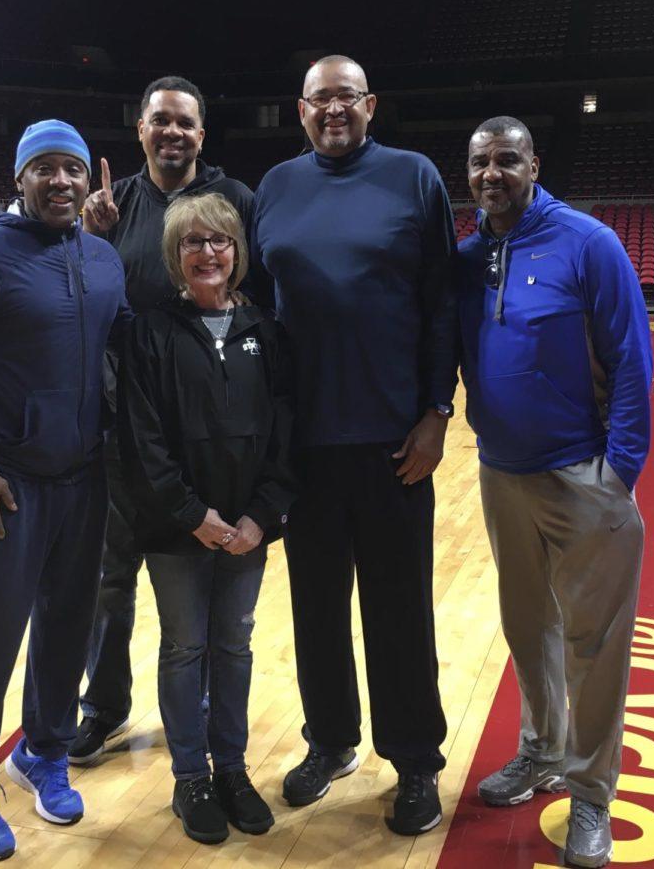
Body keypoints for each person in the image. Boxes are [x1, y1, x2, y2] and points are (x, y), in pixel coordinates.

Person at [250, 54, 459, 836]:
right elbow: (258, 313)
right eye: (318, 100)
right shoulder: (273, 189)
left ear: (370, 104)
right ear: (299, 111)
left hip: (393, 442)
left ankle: (414, 762)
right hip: (304, 445)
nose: (332, 110)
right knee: (316, 611)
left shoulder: (414, 178)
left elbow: (443, 303)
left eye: (346, 98)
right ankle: (331, 741)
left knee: (400, 611)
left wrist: (438, 410)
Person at [0, 120, 131, 861]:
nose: (62, 182)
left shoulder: (103, 258)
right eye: (45, 168)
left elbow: (128, 350)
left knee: (69, 628)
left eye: (72, 170)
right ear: (20, 178)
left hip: (85, 481)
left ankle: (44, 751)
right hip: (4, 489)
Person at [455, 116, 652, 869]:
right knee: (526, 627)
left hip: (583, 477)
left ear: (534, 164)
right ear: (467, 173)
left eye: (508, 159)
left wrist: (619, 472)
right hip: (502, 473)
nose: (493, 172)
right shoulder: (470, 257)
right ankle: (540, 752)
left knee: (593, 645)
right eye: (481, 162)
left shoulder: (587, 243)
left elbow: (631, 358)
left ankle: (593, 795)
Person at [71, 76, 254, 765]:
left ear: (201, 135)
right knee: (111, 580)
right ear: (140, 129)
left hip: (208, 432)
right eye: (160, 121)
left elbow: (253, 305)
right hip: (126, 428)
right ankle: (103, 708)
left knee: (205, 580)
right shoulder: (112, 210)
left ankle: (202, 707)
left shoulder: (234, 202)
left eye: (185, 123)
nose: (172, 132)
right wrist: (91, 238)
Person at [117, 193, 296, 844]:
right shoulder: (150, 333)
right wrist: (195, 516)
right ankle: (190, 777)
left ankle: (232, 771)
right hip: (177, 532)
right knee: (185, 647)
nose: (208, 252)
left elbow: (285, 431)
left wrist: (260, 515)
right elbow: (144, 439)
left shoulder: (266, 333)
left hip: (248, 531)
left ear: (236, 252)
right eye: (193, 241)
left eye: (219, 240)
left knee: (234, 647)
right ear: (176, 254)